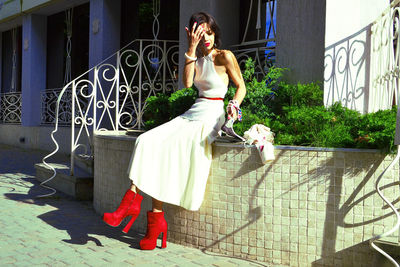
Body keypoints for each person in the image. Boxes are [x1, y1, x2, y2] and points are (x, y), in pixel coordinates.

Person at [102, 12, 246, 250]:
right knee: (147, 141)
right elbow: (188, 84)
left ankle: (142, 215)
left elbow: (241, 87)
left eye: (208, 33)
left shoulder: (225, 56)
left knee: (165, 150)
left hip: (213, 114)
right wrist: (191, 48)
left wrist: (235, 104)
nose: (206, 38)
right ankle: (141, 209)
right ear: (192, 34)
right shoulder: (194, 58)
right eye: (200, 34)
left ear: (214, 32)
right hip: (194, 111)